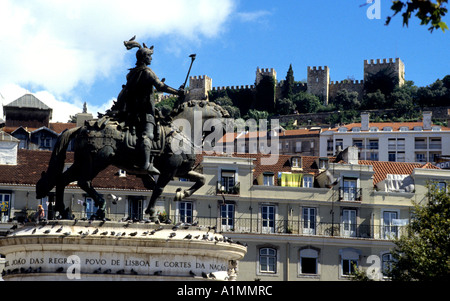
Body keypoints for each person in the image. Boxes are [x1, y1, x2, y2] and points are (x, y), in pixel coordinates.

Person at [114, 37, 184, 175]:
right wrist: (177, 92)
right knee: (148, 135)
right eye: (149, 56)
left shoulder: (131, 73)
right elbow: (160, 85)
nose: (151, 59)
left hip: (131, 111)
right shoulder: (147, 72)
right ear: (144, 57)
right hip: (144, 112)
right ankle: (146, 164)